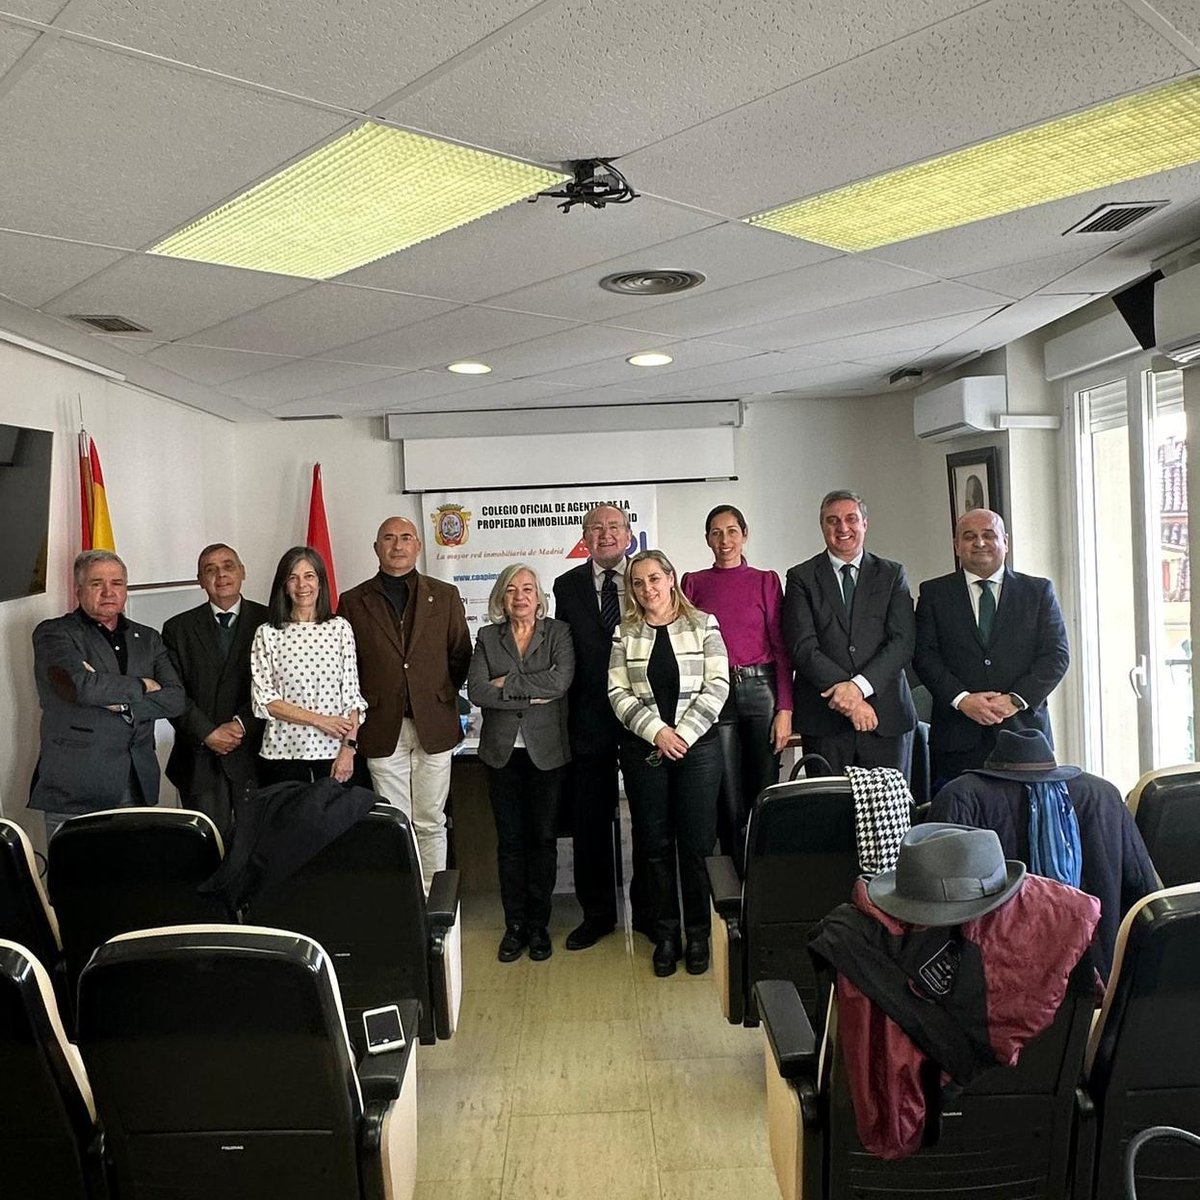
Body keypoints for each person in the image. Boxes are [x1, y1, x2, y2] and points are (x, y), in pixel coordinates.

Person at [927, 728, 1159, 979]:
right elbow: (1144, 891)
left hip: (992, 982)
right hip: (1099, 976)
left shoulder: (960, 797)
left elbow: (933, 902)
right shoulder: (1103, 795)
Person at [608, 549, 729, 977]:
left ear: (671, 578)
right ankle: (665, 936)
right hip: (645, 751)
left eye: (654, 579)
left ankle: (698, 934)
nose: (647, 589)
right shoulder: (625, 632)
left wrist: (683, 735)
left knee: (696, 847)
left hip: (698, 751)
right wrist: (658, 732)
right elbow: (617, 692)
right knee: (654, 846)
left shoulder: (704, 624)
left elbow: (718, 685)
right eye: (638, 583)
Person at [339, 516, 471, 882]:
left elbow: (461, 653)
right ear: (376, 547)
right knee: (395, 822)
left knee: (431, 821)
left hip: (435, 724)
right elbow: (346, 667)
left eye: (406, 537)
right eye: (389, 538)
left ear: (418, 546)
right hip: (382, 726)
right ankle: (405, 901)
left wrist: (437, 695)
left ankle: (434, 900)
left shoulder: (444, 595)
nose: (397, 545)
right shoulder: (352, 602)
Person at [30, 550, 185, 836]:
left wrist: (124, 705)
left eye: (117, 583)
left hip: (137, 783)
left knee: (136, 865)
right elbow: (80, 686)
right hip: (77, 787)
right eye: (96, 583)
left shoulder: (148, 637)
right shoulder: (54, 633)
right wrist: (143, 685)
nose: (108, 591)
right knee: (76, 866)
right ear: (78, 590)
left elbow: (175, 699)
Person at [913, 509, 1069, 790]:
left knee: (1025, 816)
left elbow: (1056, 656)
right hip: (957, 740)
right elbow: (924, 656)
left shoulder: (1037, 592)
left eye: (988, 535)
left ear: (1005, 542)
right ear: (956, 545)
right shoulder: (934, 594)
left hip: (1024, 735)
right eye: (969, 536)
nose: (980, 543)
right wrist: (962, 699)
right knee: (959, 815)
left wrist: (1015, 700)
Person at [467, 564, 574, 963]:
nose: (520, 596)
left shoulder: (558, 633)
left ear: (538, 595)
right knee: (510, 842)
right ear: (501, 597)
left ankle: (539, 925)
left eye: (527, 588)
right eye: (511, 590)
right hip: (502, 753)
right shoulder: (487, 636)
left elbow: (560, 682)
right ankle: (515, 926)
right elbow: (477, 691)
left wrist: (506, 684)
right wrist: (532, 692)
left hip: (546, 752)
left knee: (542, 840)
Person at [681, 504, 792, 862]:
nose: (724, 540)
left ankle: (765, 874)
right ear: (707, 539)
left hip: (761, 690)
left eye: (731, 531)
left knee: (764, 791)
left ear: (745, 535)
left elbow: (782, 648)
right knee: (726, 794)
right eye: (716, 533)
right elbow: (687, 648)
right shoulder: (693, 583)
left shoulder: (766, 581)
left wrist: (785, 708)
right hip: (715, 694)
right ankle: (734, 876)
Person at [782, 490, 917, 775]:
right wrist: (851, 703)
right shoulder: (800, 577)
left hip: (885, 717)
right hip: (824, 720)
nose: (842, 527)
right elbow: (802, 647)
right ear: (822, 526)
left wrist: (858, 689)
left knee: (885, 804)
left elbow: (902, 642)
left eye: (851, 519)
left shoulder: (892, 574)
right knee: (829, 803)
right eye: (832, 520)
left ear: (865, 523)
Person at [553, 504, 636, 951]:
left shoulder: (646, 577)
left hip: (643, 717)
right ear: (585, 537)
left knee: (650, 819)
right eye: (596, 528)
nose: (605, 534)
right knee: (591, 821)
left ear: (628, 534)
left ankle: (651, 911)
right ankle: (598, 915)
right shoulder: (566, 586)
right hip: (587, 717)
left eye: (614, 526)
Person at [162, 543, 269, 834]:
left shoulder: (271, 621)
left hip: (256, 756)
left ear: (242, 571)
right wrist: (207, 732)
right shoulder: (178, 628)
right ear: (200, 580)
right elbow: (172, 693)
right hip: (199, 760)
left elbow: (281, 686)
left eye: (228, 566)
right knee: (207, 849)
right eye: (210, 570)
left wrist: (242, 725)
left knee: (258, 846)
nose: (220, 575)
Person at [250, 546, 365, 786]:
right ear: (284, 586)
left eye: (309, 576)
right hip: (282, 753)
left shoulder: (340, 628)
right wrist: (319, 720)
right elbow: (265, 700)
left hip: (334, 754)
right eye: (293, 578)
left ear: (320, 582)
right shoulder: (267, 633)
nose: (302, 585)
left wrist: (348, 749)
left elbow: (352, 697)